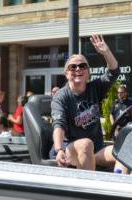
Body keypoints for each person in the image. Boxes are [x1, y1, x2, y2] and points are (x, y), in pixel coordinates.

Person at [51, 34, 128, 173]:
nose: (78, 69)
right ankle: (89, 193)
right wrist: (59, 149)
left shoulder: (95, 88)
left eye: (82, 66)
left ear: (88, 72)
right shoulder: (61, 97)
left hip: (96, 149)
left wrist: (106, 52)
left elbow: (114, 71)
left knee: (125, 152)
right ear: (66, 74)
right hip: (69, 149)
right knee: (86, 143)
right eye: (72, 67)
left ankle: (118, 188)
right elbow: (59, 126)